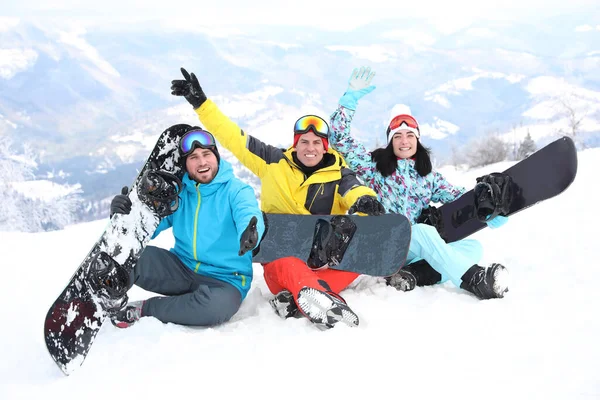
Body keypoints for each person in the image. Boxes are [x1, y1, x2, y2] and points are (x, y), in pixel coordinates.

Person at [171, 67, 386, 329]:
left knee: (357, 257)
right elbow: (233, 137)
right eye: (304, 142)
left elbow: (355, 190)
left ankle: (298, 299)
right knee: (289, 265)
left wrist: (365, 200)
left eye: (316, 143)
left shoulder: (339, 174)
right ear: (296, 143)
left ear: (325, 147)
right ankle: (321, 300)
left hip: (321, 263)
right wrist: (201, 104)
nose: (310, 148)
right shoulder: (273, 162)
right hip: (281, 265)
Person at [328, 66, 510, 300]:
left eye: (410, 135)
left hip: (410, 251)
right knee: (424, 232)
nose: (404, 141)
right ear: (390, 141)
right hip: (384, 244)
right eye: (398, 136)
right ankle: (475, 279)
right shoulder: (375, 166)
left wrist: (490, 212)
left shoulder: (428, 176)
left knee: (473, 248)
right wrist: (349, 100)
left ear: (417, 139)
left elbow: (460, 197)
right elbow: (340, 140)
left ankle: (410, 275)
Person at [108, 126, 265, 328]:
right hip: (181, 268)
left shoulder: (236, 190)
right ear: (186, 164)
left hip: (226, 280)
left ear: (216, 157)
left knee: (213, 309)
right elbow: (148, 228)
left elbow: (248, 213)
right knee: (129, 256)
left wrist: (250, 232)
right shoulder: (179, 193)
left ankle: (145, 309)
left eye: (207, 154)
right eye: (193, 157)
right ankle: (107, 295)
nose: (202, 162)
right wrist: (122, 216)